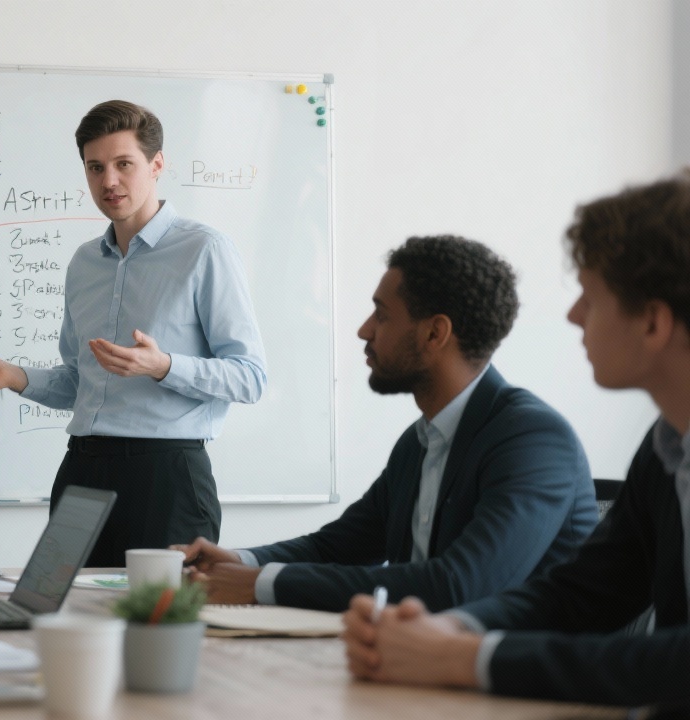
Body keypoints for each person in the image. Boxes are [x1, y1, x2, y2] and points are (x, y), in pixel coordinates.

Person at [342, 172, 690, 707]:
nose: (573, 315)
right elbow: (583, 594)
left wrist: (466, 657)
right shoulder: (667, 445)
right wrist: (450, 629)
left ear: (653, 323)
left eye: (590, 297)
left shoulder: (532, 433)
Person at [176, 236, 596, 612]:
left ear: (435, 334)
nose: (364, 330)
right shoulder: (420, 442)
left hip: (519, 688)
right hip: (417, 665)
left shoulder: (532, 440)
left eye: (381, 315)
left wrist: (262, 584)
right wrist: (243, 561)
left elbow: (459, 585)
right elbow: (337, 546)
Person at [0, 99, 266, 566]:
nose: (108, 181)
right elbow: (80, 381)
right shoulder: (85, 263)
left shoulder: (204, 250)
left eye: (123, 164)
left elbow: (250, 377)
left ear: (156, 165)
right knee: (62, 610)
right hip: (83, 470)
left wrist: (162, 366)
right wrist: (14, 375)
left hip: (166, 477)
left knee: (154, 625)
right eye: (95, 167)